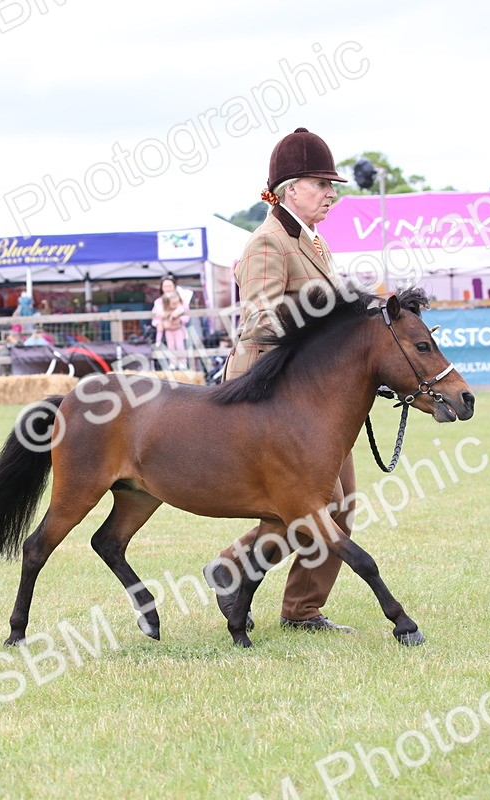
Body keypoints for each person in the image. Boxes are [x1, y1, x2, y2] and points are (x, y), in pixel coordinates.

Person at [203, 127, 356, 634]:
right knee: (322, 505)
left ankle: (298, 606)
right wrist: (330, 328)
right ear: (292, 189)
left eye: (331, 185)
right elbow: (259, 321)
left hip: (317, 400)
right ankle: (252, 576)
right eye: (321, 184)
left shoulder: (313, 241)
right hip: (273, 397)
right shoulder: (267, 242)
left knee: (341, 504)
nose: (331, 193)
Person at [151, 277, 191, 360]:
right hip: (165, 331)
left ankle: (182, 363)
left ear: (174, 287)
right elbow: (155, 317)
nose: (168, 288)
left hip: (180, 329)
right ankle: (172, 364)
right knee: (170, 346)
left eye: (170, 286)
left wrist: (178, 320)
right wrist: (160, 323)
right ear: (162, 288)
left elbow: (186, 315)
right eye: (165, 286)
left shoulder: (181, 301)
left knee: (180, 346)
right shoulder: (158, 302)